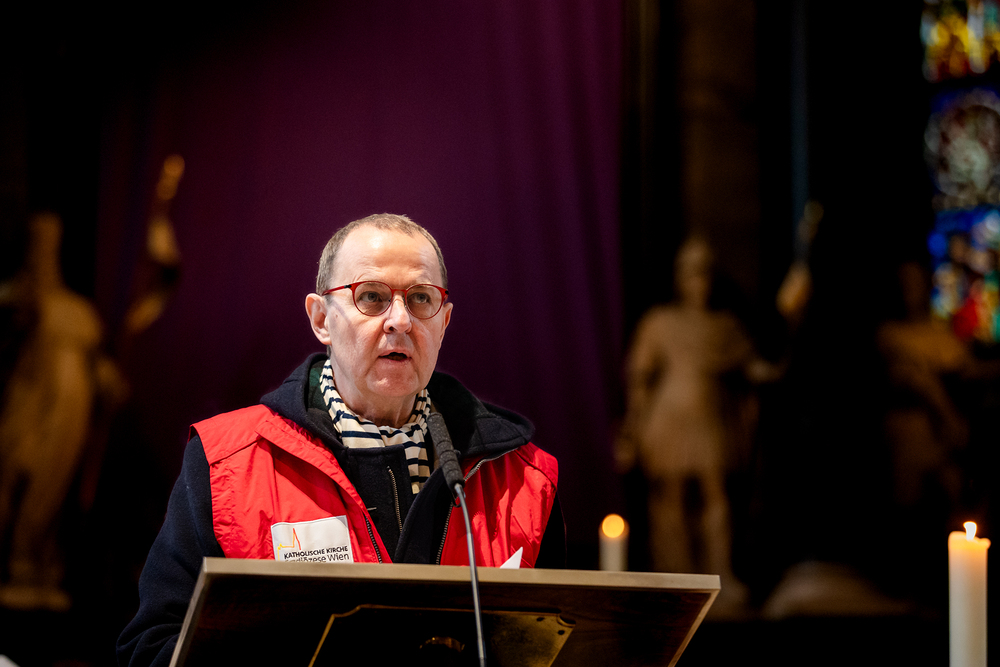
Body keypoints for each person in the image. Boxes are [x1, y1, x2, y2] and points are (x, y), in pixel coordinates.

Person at [117, 213, 564, 666]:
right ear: (321, 319)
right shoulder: (226, 462)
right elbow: (151, 648)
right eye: (371, 297)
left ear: (444, 322)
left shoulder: (522, 479)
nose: (400, 320)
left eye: (421, 299)